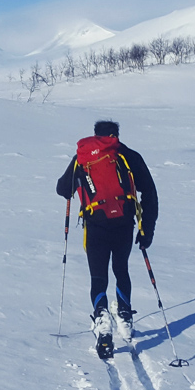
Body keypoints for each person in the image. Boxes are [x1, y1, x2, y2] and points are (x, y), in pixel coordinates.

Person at [56, 120, 158, 357]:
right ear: (116, 135)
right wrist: (147, 230)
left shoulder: (82, 156)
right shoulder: (129, 156)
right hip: (124, 224)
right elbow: (149, 192)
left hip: (95, 225)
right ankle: (124, 315)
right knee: (121, 269)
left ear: (95, 135)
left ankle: (102, 320)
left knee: (98, 275)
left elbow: (63, 189)